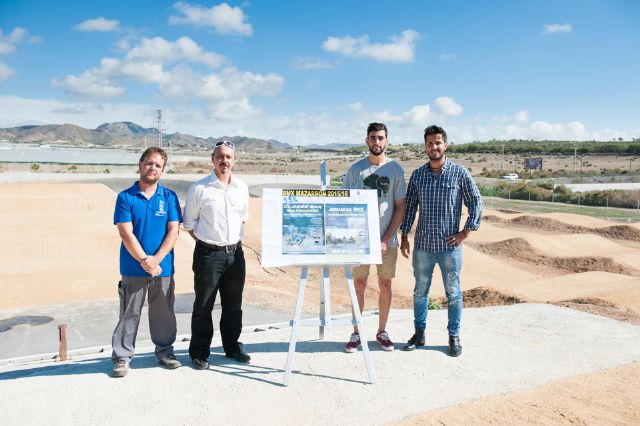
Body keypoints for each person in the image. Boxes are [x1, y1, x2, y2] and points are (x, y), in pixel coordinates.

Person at [399, 125, 483, 357]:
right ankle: (419, 334)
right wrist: (404, 236)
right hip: (423, 246)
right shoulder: (417, 175)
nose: (433, 147)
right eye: (429, 143)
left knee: (454, 294)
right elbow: (410, 208)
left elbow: (476, 201)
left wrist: (466, 231)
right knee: (419, 292)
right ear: (425, 146)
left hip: (450, 247)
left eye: (438, 143)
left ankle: (454, 337)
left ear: (446, 144)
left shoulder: (459, 173)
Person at [111, 147, 183, 378]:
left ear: (162, 169)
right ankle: (122, 356)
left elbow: (174, 230)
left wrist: (157, 260)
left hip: (163, 267)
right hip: (134, 267)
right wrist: (145, 260)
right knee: (129, 312)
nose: (152, 168)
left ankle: (165, 352)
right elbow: (126, 233)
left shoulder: (169, 197)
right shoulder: (125, 197)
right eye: (149, 163)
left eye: (158, 165)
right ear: (140, 164)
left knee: (163, 312)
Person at [183, 140, 250, 370]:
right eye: (220, 156)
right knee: (204, 305)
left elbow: (243, 218)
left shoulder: (242, 187)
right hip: (208, 255)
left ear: (234, 160)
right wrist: (209, 246)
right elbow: (190, 224)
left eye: (229, 157)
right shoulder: (199, 189)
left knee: (234, 305)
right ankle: (199, 352)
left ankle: (232, 347)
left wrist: (228, 246)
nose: (224, 161)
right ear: (213, 159)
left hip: (236, 255)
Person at [342, 122, 406, 352]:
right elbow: (344, 205)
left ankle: (382, 331)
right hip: (359, 241)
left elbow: (400, 207)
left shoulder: (396, 170)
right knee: (358, 284)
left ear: (386, 141)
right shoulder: (355, 170)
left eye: (380, 138)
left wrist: (386, 238)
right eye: (373, 138)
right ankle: (356, 333)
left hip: (386, 240)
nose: (376, 142)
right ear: (366, 141)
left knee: (385, 283)